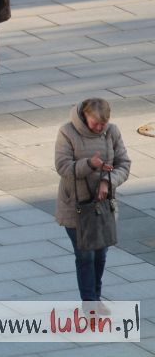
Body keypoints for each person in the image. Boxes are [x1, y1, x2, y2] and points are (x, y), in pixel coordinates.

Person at [54, 98, 131, 308]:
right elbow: (63, 167)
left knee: (100, 255)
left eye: (103, 124)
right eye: (95, 123)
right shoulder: (67, 132)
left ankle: (95, 298)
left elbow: (123, 164)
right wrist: (89, 164)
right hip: (76, 207)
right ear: (84, 116)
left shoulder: (112, 132)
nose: (99, 128)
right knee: (85, 255)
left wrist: (107, 181)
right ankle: (90, 304)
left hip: (102, 206)